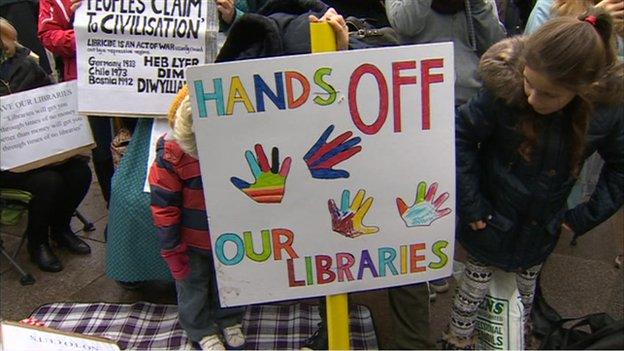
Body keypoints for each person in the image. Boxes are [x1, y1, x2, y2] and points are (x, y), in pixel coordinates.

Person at [444, 8, 623, 349]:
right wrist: (472, 205)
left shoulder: (606, 110)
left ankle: (514, 340)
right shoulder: (505, 90)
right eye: (528, 81)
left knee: (524, 295)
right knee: (471, 291)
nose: (532, 97)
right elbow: (461, 136)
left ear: (581, 90)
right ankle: (457, 341)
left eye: (549, 94)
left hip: (541, 227)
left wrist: (584, 217)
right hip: (489, 215)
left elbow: (621, 167)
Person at [148, 86, 246, 351]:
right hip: (191, 240)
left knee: (231, 282)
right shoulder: (171, 154)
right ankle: (199, 328)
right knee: (192, 287)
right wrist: (171, 247)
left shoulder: (237, 144)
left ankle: (230, 319)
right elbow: (164, 206)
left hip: (231, 235)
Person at [0, 17, 92, 272]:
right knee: (48, 182)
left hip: (39, 147)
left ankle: (60, 228)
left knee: (80, 172)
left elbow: (53, 102)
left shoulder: (25, 64)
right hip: (6, 163)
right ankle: (36, 241)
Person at [38, 0, 115, 205]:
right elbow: (48, 36)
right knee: (101, 146)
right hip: (88, 80)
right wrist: (86, 32)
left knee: (139, 137)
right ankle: (113, 204)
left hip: (133, 77)